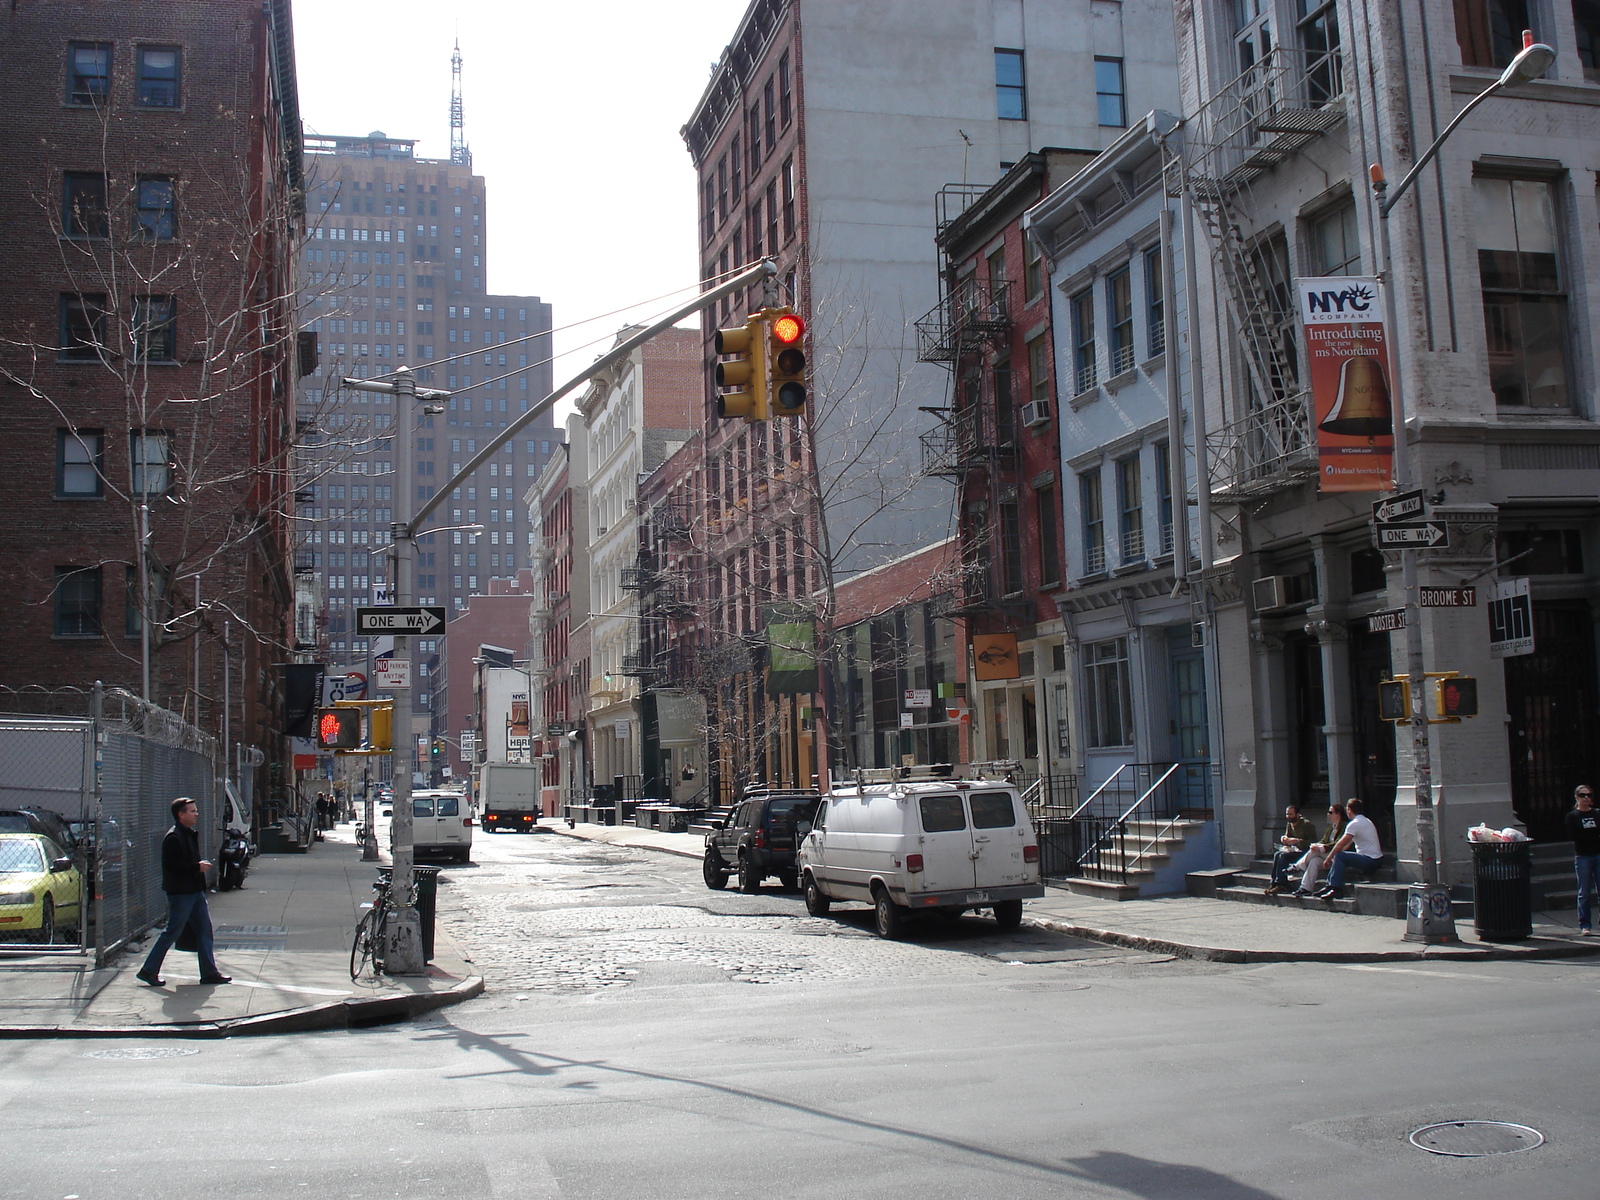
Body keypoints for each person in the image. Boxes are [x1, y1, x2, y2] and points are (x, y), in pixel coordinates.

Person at [136, 797, 231, 987]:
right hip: (181, 894)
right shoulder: (174, 838)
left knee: (204, 931)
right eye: (192, 811)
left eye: (195, 810)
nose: (196, 814)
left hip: (195, 891)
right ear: (181, 814)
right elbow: (173, 866)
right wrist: (197, 867)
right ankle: (149, 970)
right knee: (172, 932)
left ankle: (209, 972)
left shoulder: (188, 834)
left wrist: (197, 870)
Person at [1314, 796, 1382, 899]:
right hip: (1377, 858)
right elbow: (1348, 843)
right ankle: (1329, 886)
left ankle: (1336, 888)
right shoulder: (1366, 820)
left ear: (1349, 810)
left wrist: (1328, 859)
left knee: (1339, 856)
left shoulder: (1354, 824)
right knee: (1339, 856)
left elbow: (1340, 844)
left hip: (1370, 860)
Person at [1291, 803, 1346, 897]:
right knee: (1314, 861)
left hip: (1338, 856)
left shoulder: (1344, 826)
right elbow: (1323, 840)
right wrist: (1316, 845)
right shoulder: (1331, 827)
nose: (1328, 815)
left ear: (1338, 814)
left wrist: (1320, 847)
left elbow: (1338, 843)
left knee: (1315, 851)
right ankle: (1305, 888)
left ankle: (1298, 866)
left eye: (1330, 812)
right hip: (1327, 856)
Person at [1565, 784, 1599, 936]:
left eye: (1589, 795)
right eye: (1583, 795)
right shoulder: (1573, 816)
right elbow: (1574, 836)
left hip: (1598, 854)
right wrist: (1592, 837)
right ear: (1577, 797)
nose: (1587, 798)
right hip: (1583, 856)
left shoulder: (1597, 814)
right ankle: (1585, 925)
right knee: (1584, 892)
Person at [1264, 804, 1318, 895]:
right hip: (1293, 850)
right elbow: (1287, 836)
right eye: (1287, 814)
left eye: (1291, 814)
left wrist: (1297, 841)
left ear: (1297, 815)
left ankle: (1282, 884)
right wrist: (1285, 839)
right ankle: (1274, 882)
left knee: (1283, 856)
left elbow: (1313, 842)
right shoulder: (1289, 824)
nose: (1289, 817)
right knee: (1277, 854)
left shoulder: (1306, 825)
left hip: (1305, 852)